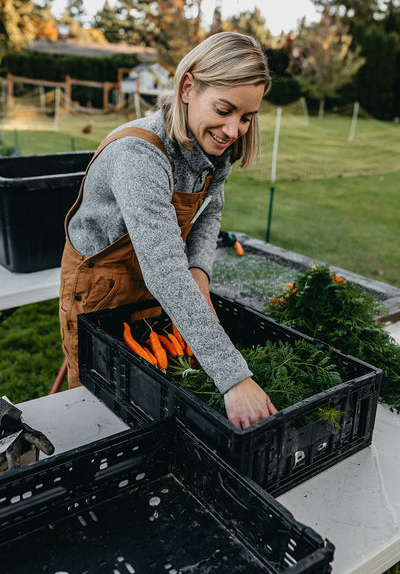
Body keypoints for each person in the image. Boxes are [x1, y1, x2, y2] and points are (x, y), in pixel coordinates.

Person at [59, 31, 278, 429]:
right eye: (225, 109)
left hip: (158, 278)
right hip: (99, 286)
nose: (233, 130)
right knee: (95, 408)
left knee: (150, 396)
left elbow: (210, 212)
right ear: (188, 87)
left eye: (247, 117)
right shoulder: (139, 155)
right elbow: (163, 270)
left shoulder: (215, 148)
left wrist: (199, 271)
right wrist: (234, 378)